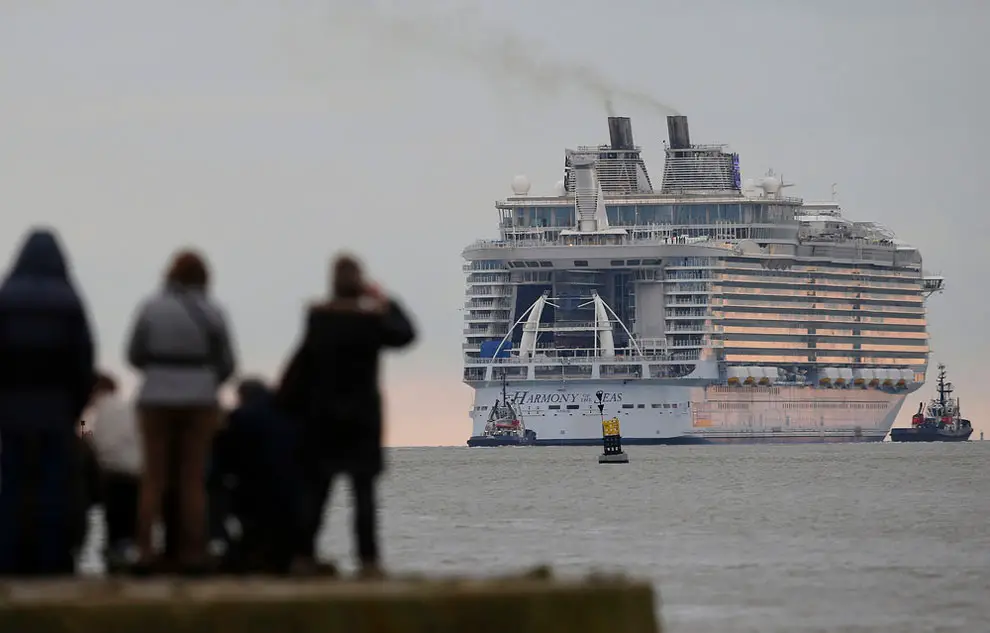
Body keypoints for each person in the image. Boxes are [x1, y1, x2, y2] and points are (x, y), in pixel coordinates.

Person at [277, 254, 415, 579]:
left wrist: (286, 407)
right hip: (362, 419)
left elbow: (301, 367)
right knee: (363, 494)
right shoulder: (370, 322)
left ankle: (302, 555)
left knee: (317, 491)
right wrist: (385, 300)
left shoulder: (318, 320)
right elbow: (406, 334)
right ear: (360, 286)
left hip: (322, 417)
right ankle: (368, 561)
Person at [125, 249, 237, 575]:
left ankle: (144, 549)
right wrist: (207, 380)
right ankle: (193, 551)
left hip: (155, 394)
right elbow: (228, 361)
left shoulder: (150, 307)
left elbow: (133, 353)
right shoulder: (213, 311)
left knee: (154, 476)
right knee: (192, 478)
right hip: (200, 397)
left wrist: (158, 371)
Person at [0, 228, 96, 576]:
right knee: (53, 489)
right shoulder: (70, 301)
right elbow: (83, 360)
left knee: (10, 486)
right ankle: (52, 559)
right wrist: (78, 408)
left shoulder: (5, 297)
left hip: (10, 410)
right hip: (56, 411)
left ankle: (8, 557)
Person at [211, 379, 300, 574]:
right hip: (290, 491)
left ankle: (233, 552)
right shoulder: (289, 415)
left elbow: (223, 459)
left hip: (252, 490)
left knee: (216, 498)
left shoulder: (240, 418)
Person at [87, 372, 142, 572]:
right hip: (138, 472)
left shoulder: (102, 410)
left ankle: (115, 554)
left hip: (114, 475)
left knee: (116, 520)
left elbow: (98, 444)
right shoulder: (126, 407)